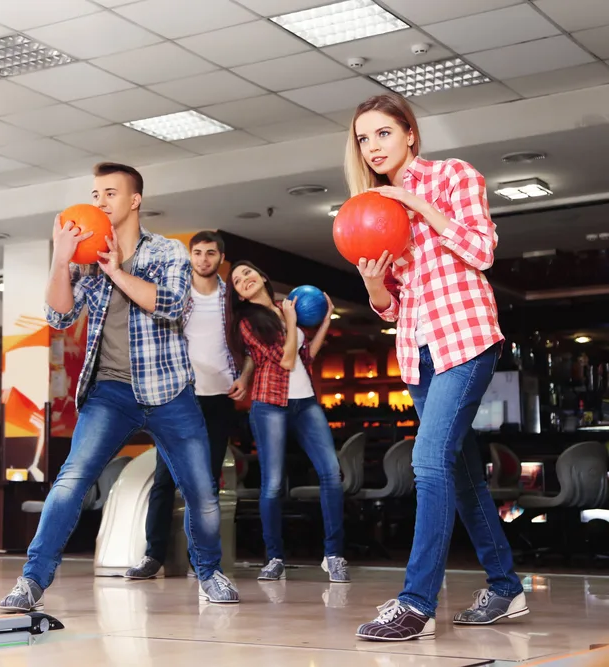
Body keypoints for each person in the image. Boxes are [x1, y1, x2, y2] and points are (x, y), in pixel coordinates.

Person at [0, 163, 240, 612]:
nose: (99, 202)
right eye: (95, 194)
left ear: (134, 200)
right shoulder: (85, 259)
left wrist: (115, 271)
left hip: (169, 390)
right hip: (109, 391)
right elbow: (58, 317)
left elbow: (169, 305)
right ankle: (32, 581)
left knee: (201, 490)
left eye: (110, 193)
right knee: (70, 482)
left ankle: (209, 572)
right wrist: (59, 257)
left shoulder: (167, 251)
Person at [345, 93, 527, 642]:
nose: (372, 147)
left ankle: (416, 603)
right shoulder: (373, 207)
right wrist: (375, 285)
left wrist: (419, 205)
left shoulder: (453, 175)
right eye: (362, 139)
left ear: (409, 135)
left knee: (427, 463)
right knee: (462, 474)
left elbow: (482, 250)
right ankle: (505, 586)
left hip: (466, 337)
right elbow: (394, 304)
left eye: (382, 133)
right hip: (418, 350)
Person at [124, 231, 252, 580]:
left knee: (205, 484)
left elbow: (250, 344)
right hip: (178, 396)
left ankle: (203, 563)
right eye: (197, 252)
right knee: (164, 480)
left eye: (211, 253)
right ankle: (154, 556)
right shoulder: (175, 294)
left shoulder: (232, 299)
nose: (203, 259)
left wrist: (245, 375)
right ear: (190, 256)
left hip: (220, 398)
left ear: (220, 259)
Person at [225, 260, 348, 584]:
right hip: (269, 404)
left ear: (262, 275)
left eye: (248, 273)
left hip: (305, 402)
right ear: (237, 292)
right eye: (237, 280)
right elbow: (287, 359)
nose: (244, 280)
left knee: (331, 473)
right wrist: (291, 323)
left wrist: (325, 321)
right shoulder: (247, 322)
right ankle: (274, 557)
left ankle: (333, 556)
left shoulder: (287, 306)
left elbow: (306, 358)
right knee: (274, 484)